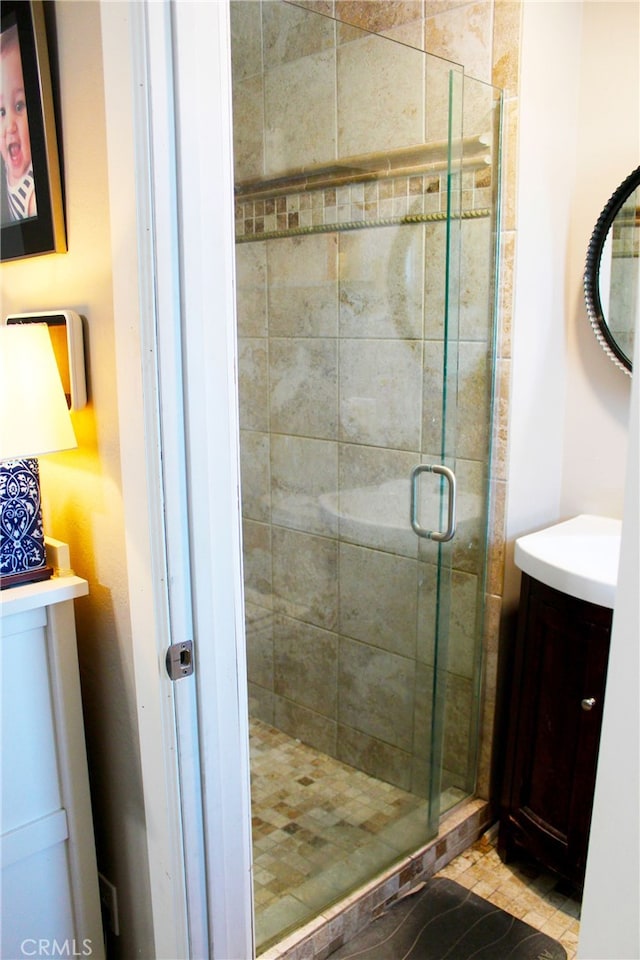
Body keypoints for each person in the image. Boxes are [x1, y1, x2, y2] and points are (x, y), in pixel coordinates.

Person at [0, 23, 37, 223]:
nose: (9, 127)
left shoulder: (32, 196)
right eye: (2, 111)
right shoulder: (8, 163)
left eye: (20, 106)